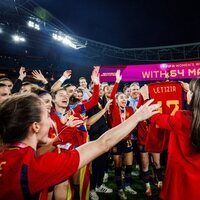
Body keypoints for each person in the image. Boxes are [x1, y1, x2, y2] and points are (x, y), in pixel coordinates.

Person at [0, 92, 159, 200]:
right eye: (47, 116)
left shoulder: (8, 154)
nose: (51, 120)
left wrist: (58, 138)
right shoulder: (36, 168)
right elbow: (102, 144)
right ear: (35, 126)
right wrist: (137, 117)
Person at [140, 78, 200, 200]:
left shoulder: (182, 118)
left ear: (193, 95)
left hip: (181, 177)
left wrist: (146, 98)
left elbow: (155, 116)